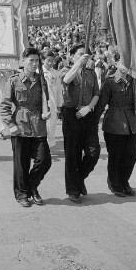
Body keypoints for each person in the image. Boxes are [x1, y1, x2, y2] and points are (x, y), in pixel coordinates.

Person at [0, 47, 51, 207]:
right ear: (23, 61)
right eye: (31, 60)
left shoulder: (42, 81)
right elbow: (4, 106)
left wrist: (46, 112)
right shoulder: (14, 81)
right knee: (21, 164)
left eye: (37, 61)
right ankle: (22, 194)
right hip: (20, 126)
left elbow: (45, 102)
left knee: (44, 160)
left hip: (39, 126)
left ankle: (32, 186)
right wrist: (11, 125)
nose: (35, 64)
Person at [94, 62, 136, 197]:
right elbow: (101, 102)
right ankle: (116, 184)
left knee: (132, 153)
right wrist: (93, 123)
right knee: (116, 156)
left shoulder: (132, 80)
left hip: (130, 123)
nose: (125, 65)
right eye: (122, 61)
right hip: (114, 123)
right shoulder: (110, 81)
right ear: (116, 63)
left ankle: (124, 181)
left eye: (128, 62)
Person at [61, 44, 100, 203]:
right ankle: (73, 190)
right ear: (72, 56)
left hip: (87, 114)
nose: (84, 57)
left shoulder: (91, 73)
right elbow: (66, 79)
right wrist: (78, 64)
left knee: (93, 152)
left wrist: (89, 107)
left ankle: (79, 179)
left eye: (86, 55)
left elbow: (96, 93)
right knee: (73, 154)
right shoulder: (66, 69)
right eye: (80, 54)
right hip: (72, 114)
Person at [42, 50, 63, 147]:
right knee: (42, 127)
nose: (50, 63)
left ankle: (48, 148)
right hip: (41, 105)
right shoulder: (38, 72)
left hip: (53, 104)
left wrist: (59, 105)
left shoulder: (56, 73)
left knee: (51, 126)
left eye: (52, 60)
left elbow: (59, 91)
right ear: (43, 60)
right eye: (48, 60)